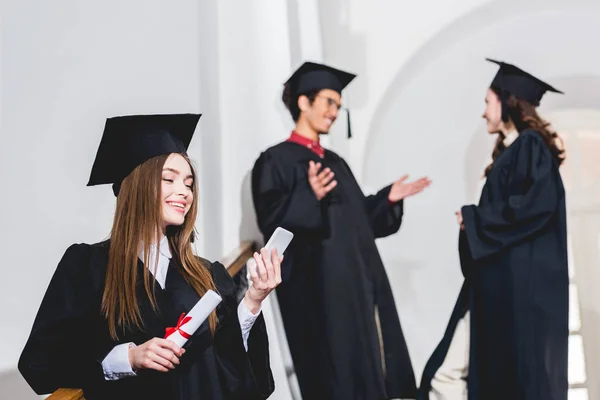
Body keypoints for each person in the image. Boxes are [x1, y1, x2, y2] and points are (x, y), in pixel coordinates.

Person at [19, 113, 281, 400]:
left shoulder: (208, 274)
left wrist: (253, 300)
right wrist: (128, 358)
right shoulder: (89, 266)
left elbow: (235, 372)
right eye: (169, 179)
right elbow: (39, 365)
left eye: (189, 183)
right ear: (137, 186)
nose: (184, 192)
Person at [251, 61, 431, 400]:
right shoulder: (274, 161)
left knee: (373, 365)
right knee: (337, 375)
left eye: (338, 104)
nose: (335, 111)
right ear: (304, 102)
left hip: (360, 283)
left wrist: (387, 199)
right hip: (321, 291)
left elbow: (360, 220)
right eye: (329, 102)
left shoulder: (334, 161)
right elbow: (271, 225)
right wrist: (309, 196)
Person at [418, 59, 569, 400]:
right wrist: (473, 222)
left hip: (512, 288)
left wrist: (474, 219)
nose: (484, 112)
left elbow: (533, 207)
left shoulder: (529, 146)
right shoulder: (509, 152)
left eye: (487, 102)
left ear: (508, 101)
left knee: (455, 374)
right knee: (451, 373)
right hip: (495, 284)